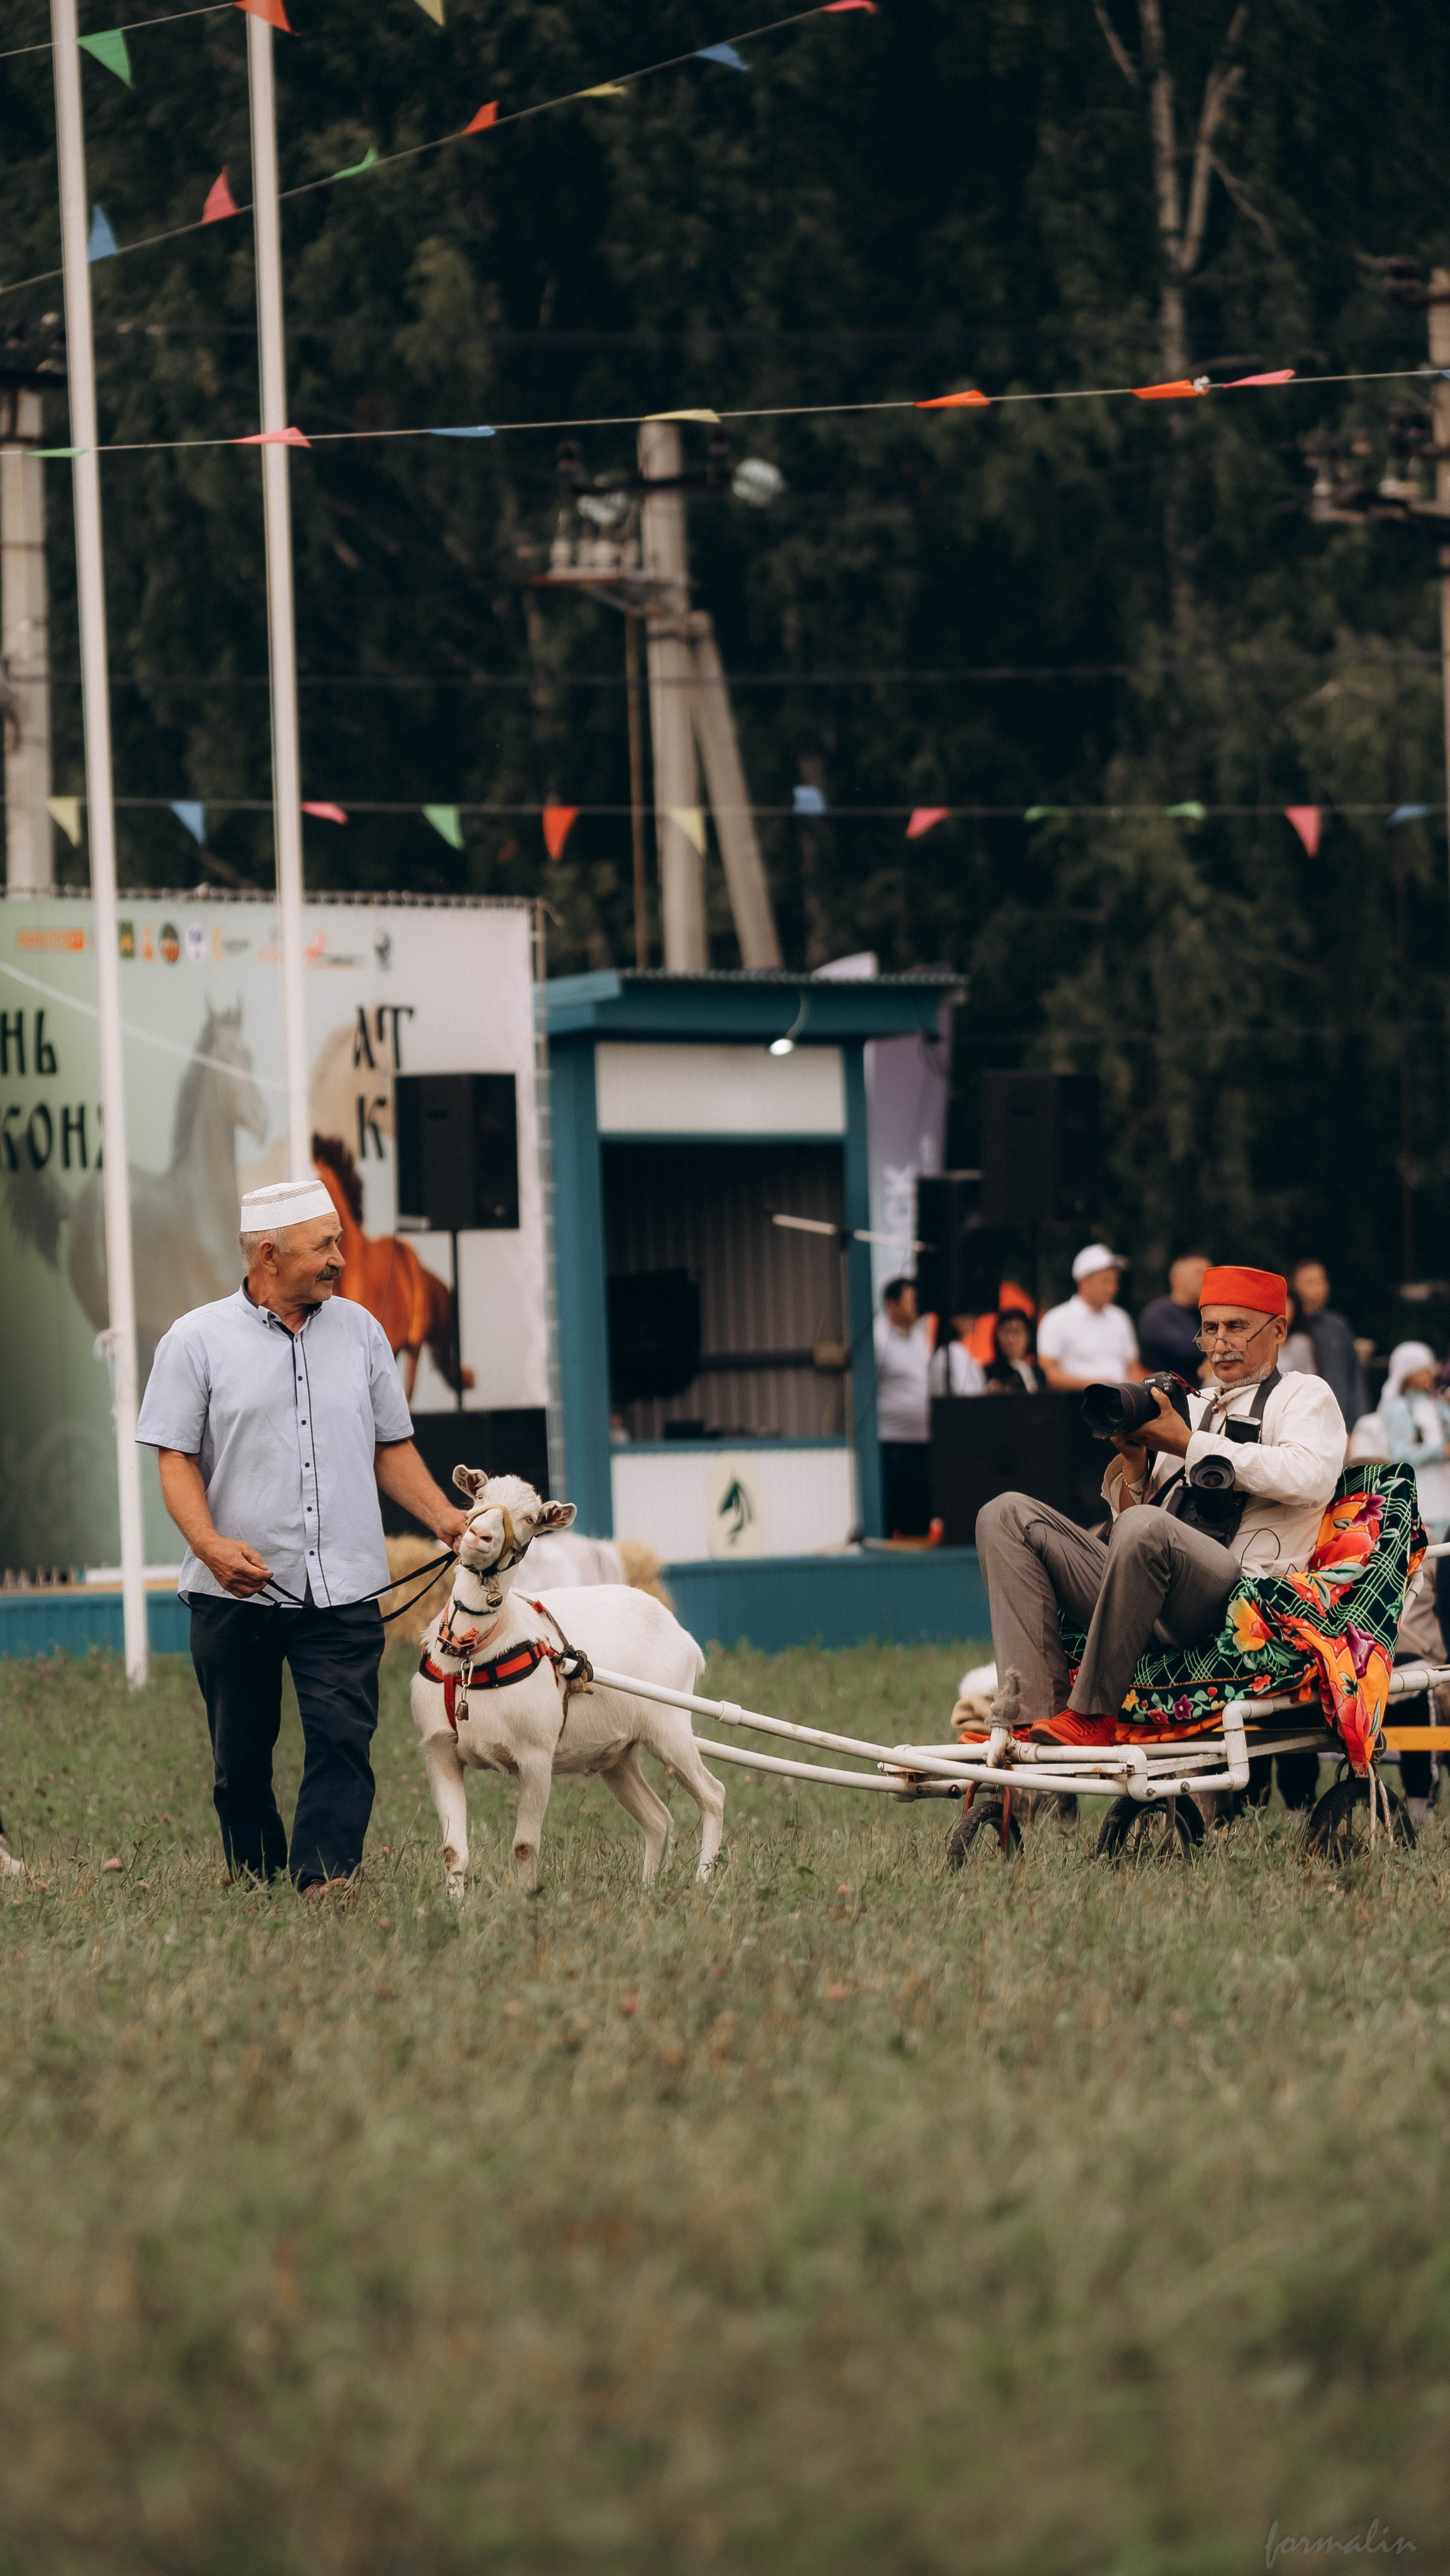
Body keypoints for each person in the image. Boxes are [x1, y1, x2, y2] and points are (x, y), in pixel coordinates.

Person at [137, 1177, 472, 1892]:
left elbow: (389, 1446)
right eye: (324, 1246)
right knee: (240, 1758)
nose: (340, 1258)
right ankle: (256, 1882)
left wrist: (444, 1518)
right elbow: (175, 1460)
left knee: (344, 1738)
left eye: (338, 1242)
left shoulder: (362, 1331)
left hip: (344, 1584)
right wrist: (210, 1547)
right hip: (235, 1591)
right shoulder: (194, 1341)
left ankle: (325, 1881)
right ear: (269, 1255)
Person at [975, 1264, 1347, 1743]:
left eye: (1235, 1326)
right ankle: (1030, 1716)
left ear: (1277, 1330)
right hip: (1145, 1596)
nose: (1219, 1343)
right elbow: (1132, 1531)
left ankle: (1093, 1714)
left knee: (1147, 1526)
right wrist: (1135, 1465)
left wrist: (1189, 1444)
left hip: (1237, 1596)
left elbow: (1309, 1478)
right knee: (1004, 1514)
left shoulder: (1304, 1395)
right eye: (1209, 1328)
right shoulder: (1191, 1404)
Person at [874, 1276, 938, 1535]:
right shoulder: (878, 1338)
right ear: (892, 1304)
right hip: (891, 1445)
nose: (918, 1306)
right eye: (913, 1300)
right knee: (891, 1519)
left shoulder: (920, 1338)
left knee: (919, 1521)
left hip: (922, 1444)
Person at [1036, 1245, 1142, 1392]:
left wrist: (1132, 1393)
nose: (1113, 1288)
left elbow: (1133, 1367)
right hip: (1077, 1401)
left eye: (1115, 1281)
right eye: (1106, 1281)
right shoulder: (1056, 1319)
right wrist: (1095, 1385)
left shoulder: (1120, 1318)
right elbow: (1047, 1373)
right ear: (1083, 1281)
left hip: (1122, 1401)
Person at [1288, 1259, 1368, 1430]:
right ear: (1294, 1287)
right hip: (1302, 1422)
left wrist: (1357, 1423)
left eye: (1322, 1280)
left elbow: (1354, 1376)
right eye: (1310, 1282)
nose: (1318, 1287)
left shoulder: (1337, 1326)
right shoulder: (1288, 1329)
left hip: (1341, 1419)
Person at [1137, 1253, 1211, 1379]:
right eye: (1199, 1273)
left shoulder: (1208, 1312)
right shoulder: (1157, 1314)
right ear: (1175, 1278)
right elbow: (1187, 1351)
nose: (1205, 1279)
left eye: (1209, 1273)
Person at [984, 1309, 1041, 1394]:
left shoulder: (1038, 1372)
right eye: (1006, 1332)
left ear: (1028, 1336)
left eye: (1017, 1332)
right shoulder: (989, 1373)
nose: (1011, 1339)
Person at [930, 1312, 986, 1399]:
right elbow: (964, 1395)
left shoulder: (957, 1350)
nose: (975, 1320)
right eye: (969, 1315)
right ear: (954, 1319)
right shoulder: (953, 1351)